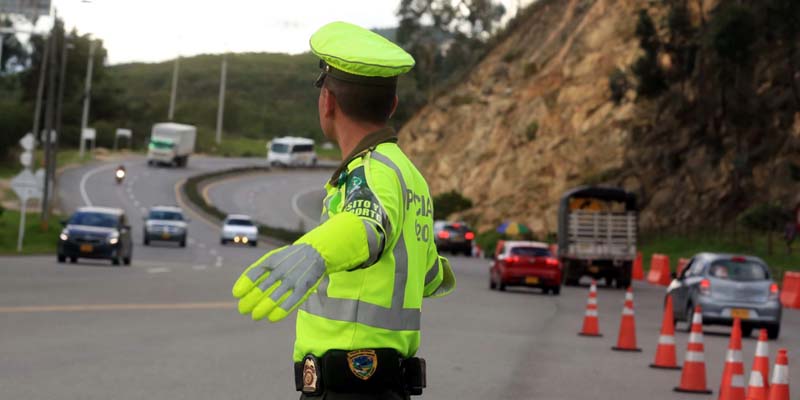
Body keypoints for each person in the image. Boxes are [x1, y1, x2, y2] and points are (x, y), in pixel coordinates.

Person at [232, 21, 455, 400]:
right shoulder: (411, 176)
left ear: (327, 102)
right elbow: (431, 276)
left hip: (350, 384)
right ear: (393, 105)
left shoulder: (370, 171)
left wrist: (315, 251)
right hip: (385, 384)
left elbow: (365, 225)